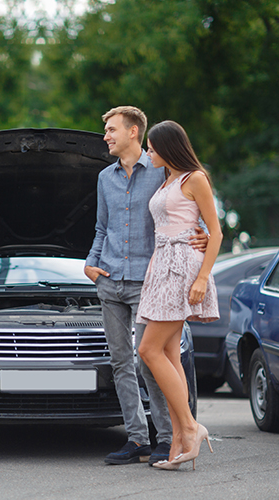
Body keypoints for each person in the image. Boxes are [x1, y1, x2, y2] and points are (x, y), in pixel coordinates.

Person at [85, 106, 208, 466]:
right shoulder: (104, 177)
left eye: (111, 129)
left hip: (150, 281)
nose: (106, 135)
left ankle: (168, 435)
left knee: (149, 361)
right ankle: (137, 439)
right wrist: (91, 264)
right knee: (121, 361)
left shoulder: (160, 171)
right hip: (109, 280)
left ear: (134, 132)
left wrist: (198, 236)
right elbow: (101, 228)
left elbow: (186, 210)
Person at [136, 120, 221, 470]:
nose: (149, 153)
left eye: (153, 148)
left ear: (169, 148)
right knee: (169, 354)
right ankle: (177, 444)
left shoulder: (194, 178)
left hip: (182, 268)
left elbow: (214, 233)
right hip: (160, 267)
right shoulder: (166, 179)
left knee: (148, 350)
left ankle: (191, 427)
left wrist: (202, 278)